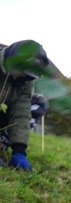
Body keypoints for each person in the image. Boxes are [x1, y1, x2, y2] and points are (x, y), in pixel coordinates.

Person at [0, 40, 49, 171]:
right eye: (22, 71)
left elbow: (21, 112)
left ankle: (3, 141)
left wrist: (19, 150)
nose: (23, 76)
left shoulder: (24, 81)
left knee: (39, 102)